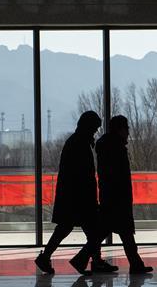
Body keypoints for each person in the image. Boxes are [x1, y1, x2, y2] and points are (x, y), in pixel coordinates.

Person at [35, 111, 117, 275]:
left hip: (71, 196)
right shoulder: (81, 144)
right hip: (80, 197)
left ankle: (50, 257)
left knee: (67, 228)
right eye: (94, 128)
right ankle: (93, 261)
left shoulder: (75, 142)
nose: (95, 132)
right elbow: (83, 175)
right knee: (95, 229)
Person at [95, 115, 153, 274]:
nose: (128, 132)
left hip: (109, 194)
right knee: (123, 230)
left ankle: (136, 263)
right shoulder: (117, 147)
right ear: (120, 129)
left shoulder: (105, 145)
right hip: (118, 196)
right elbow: (119, 175)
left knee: (114, 230)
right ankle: (135, 264)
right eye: (126, 128)